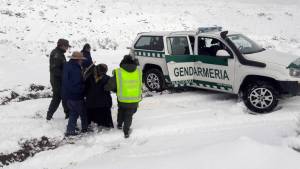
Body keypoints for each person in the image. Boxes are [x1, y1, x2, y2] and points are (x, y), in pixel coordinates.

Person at [105, 55, 142, 138]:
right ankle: (126, 130)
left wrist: (109, 88)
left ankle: (119, 124)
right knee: (129, 115)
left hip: (122, 99)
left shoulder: (118, 72)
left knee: (121, 110)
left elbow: (109, 86)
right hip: (135, 99)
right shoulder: (139, 71)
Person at [62, 51, 88, 136]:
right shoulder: (75, 70)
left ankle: (70, 130)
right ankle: (85, 129)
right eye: (81, 60)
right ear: (77, 60)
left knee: (73, 112)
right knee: (83, 112)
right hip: (76, 95)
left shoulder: (67, 66)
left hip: (68, 94)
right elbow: (77, 83)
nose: (82, 61)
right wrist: (84, 87)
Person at [46, 39, 70, 120]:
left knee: (62, 96)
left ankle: (67, 114)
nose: (67, 48)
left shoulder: (60, 53)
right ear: (62, 45)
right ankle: (49, 116)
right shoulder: (56, 54)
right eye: (66, 46)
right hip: (57, 81)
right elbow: (54, 69)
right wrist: (65, 75)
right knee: (58, 97)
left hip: (59, 80)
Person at [85, 64, 114, 130]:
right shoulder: (107, 78)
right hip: (104, 105)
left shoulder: (89, 77)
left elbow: (85, 89)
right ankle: (105, 124)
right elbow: (111, 88)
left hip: (90, 104)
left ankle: (91, 123)